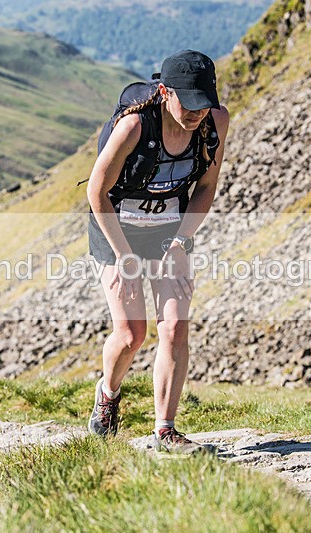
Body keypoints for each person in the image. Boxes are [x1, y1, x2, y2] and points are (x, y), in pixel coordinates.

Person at [85, 50, 229, 454]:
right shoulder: (134, 126)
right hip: (117, 227)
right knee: (132, 334)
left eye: (206, 103)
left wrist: (182, 243)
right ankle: (108, 393)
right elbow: (96, 191)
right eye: (190, 103)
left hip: (169, 230)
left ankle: (165, 431)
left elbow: (205, 187)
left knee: (174, 327)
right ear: (165, 92)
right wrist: (123, 257)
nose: (199, 112)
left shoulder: (215, 122)